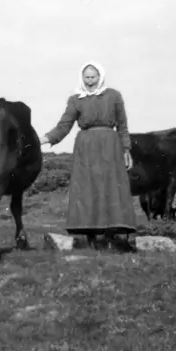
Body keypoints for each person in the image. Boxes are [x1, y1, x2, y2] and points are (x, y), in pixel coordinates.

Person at [40, 61, 138, 251]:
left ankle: (113, 232)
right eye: (87, 77)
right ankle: (91, 233)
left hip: (110, 145)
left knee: (110, 185)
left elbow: (123, 125)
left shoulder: (114, 96)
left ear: (100, 77)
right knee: (88, 186)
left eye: (93, 77)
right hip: (86, 148)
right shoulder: (76, 99)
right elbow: (64, 126)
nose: (90, 81)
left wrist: (126, 150)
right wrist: (42, 140)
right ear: (82, 78)